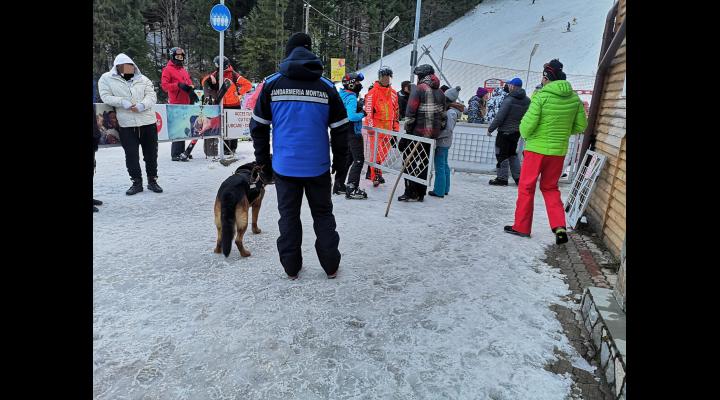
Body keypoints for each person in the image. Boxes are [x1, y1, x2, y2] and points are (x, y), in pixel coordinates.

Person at [250, 32, 349, 280]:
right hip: (318, 167)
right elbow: (340, 130)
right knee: (323, 215)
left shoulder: (271, 84)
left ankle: (291, 268)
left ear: (288, 52)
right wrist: (340, 164)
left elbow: (258, 127)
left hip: (285, 167)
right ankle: (331, 266)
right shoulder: (327, 87)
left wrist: (263, 162)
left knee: (289, 217)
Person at [505, 59, 588, 245]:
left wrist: (535, 133)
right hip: (558, 152)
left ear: (546, 78)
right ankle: (559, 227)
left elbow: (526, 129)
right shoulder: (574, 99)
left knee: (527, 187)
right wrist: (562, 133)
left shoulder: (541, 97)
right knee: (550, 188)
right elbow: (581, 125)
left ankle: (522, 227)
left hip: (536, 150)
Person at [98, 53, 162, 195]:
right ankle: (136, 182)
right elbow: (105, 96)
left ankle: (152, 180)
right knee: (131, 154)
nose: (129, 70)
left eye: (131, 67)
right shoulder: (106, 79)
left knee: (151, 154)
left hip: (148, 122)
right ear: (118, 68)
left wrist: (142, 105)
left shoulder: (143, 79)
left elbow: (152, 96)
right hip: (126, 124)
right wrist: (123, 102)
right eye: (125, 68)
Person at [399, 64, 446, 202]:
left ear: (421, 76)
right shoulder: (441, 92)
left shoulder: (419, 89)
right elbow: (443, 117)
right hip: (432, 137)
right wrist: (436, 130)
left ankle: (409, 192)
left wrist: (407, 130)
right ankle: (420, 193)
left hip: (417, 134)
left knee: (409, 163)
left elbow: (410, 113)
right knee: (424, 163)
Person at [202, 56, 252, 155]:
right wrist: (208, 79)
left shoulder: (233, 74)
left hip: (234, 104)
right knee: (224, 128)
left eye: (217, 64)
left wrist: (238, 92)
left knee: (233, 127)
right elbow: (204, 81)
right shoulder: (216, 74)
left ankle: (233, 147)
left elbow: (248, 84)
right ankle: (225, 148)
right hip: (222, 105)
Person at [487, 77, 530, 186]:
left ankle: (502, 178)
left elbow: (499, 117)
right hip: (517, 131)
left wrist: (490, 129)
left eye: (510, 85)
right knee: (512, 154)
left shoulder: (509, 99)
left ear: (513, 86)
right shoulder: (527, 100)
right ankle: (518, 178)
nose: (508, 86)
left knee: (501, 154)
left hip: (505, 131)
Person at [363, 66, 399, 187]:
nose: (386, 79)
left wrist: (396, 130)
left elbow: (396, 112)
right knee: (376, 153)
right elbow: (368, 111)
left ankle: (377, 173)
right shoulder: (372, 92)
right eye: (384, 76)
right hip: (376, 127)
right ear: (380, 77)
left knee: (384, 153)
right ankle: (376, 175)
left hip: (388, 127)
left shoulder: (393, 93)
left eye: (388, 76)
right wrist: (372, 128)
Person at [161, 47, 199, 161]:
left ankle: (182, 151)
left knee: (184, 127)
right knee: (178, 128)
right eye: (177, 57)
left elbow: (188, 82)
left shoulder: (183, 70)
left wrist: (191, 90)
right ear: (172, 57)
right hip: (176, 102)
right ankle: (175, 153)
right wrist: (177, 85)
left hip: (186, 102)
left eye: (181, 57)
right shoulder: (167, 70)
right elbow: (164, 86)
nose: (179, 59)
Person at [337, 72, 368, 199]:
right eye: (357, 82)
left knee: (348, 159)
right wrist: (363, 113)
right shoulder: (350, 97)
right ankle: (352, 188)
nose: (359, 85)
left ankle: (339, 185)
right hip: (353, 132)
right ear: (350, 84)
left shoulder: (341, 94)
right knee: (359, 160)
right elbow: (352, 116)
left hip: (343, 131)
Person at [429, 86, 463, 198]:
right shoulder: (453, 111)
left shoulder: (450, 112)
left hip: (442, 142)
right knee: (444, 165)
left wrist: (435, 136)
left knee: (439, 167)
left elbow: (448, 130)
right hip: (446, 142)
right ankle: (445, 188)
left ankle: (439, 191)